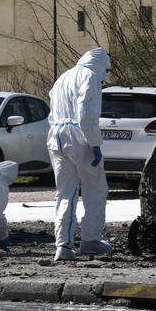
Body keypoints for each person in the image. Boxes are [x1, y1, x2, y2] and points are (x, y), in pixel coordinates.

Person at [48, 47, 113, 261]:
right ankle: (91, 240)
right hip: (78, 135)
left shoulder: (63, 77)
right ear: (101, 66)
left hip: (55, 135)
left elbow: (52, 112)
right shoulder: (90, 76)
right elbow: (86, 115)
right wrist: (94, 144)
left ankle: (63, 245)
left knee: (65, 192)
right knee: (95, 188)